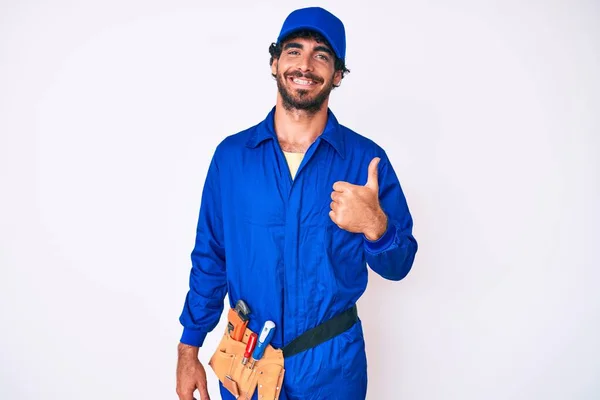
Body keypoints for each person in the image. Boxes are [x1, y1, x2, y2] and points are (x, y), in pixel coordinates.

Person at [176, 6, 418, 400]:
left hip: (333, 368)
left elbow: (400, 265)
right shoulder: (232, 159)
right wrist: (189, 348)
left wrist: (376, 226)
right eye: (293, 50)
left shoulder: (365, 161)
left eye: (321, 55)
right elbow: (210, 257)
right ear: (274, 62)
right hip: (247, 364)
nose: (305, 64)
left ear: (337, 74)